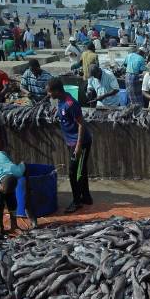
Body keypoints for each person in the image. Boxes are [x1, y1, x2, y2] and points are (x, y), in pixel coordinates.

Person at [47, 77, 93, 213]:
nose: (48, 94)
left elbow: (81, 124)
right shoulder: (61, 101)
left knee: (74, 172)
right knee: (81, 170)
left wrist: (78, 147)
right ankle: (86, 197)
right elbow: (64, 113)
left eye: (49, 92)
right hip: (71, 142)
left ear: (56, 91)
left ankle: (77, 201)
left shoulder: (71, 103)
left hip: (80, 143)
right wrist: (57, 112)